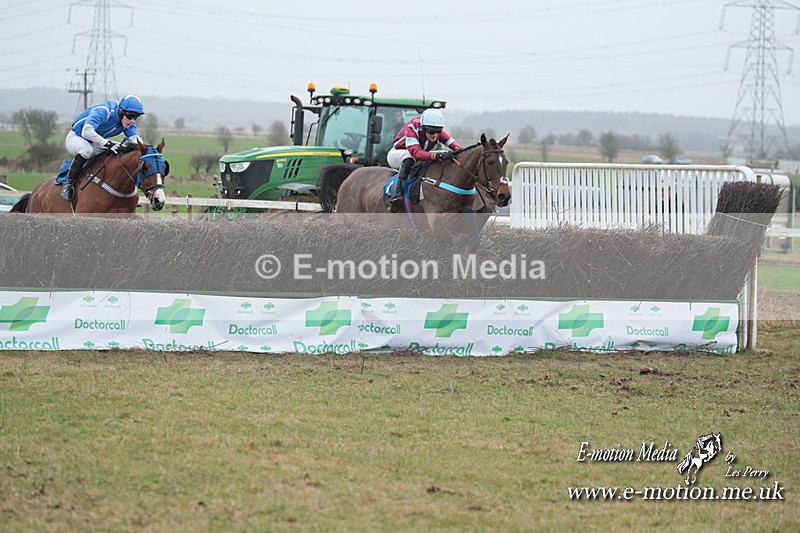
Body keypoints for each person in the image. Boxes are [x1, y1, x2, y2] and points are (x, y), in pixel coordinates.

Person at [61, 95, 146, 201]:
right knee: (87, 150)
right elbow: (86, 131)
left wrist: (145, 150)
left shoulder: (128, 122)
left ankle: (123, 192)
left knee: (123, 149)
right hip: (76, 137)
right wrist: (108, 144)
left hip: (95, 142)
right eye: (130, 116)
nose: (132, 120)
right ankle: (68, 185)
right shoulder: (104, 111)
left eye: (135, 117)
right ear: (120, 111)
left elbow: (135, 140)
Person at [386, 108, 463, 211]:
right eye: (431, 131)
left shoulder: (434, 130)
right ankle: (397, 194)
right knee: (409, 157)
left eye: (438, 131)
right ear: (423, 128)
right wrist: (438, 156)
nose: (435, 135)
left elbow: (459, 148)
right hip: (397, 154)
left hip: (417, 155)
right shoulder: (412, 128)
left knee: (444, 153)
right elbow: (416, 153)